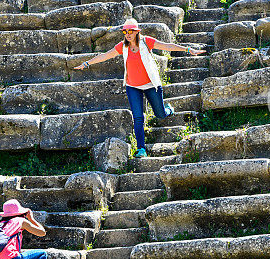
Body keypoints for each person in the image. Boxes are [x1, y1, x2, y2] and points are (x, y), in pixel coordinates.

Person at [73, 18, 205, 158]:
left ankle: (168, 110)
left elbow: (167, 46)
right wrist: (86, 63)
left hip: (151, 85)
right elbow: (105, 56)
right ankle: (141, 149)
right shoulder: (122, 47)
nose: (127, 34)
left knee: (160, 114)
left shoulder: (146, 42)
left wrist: (188, 49)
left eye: (130, 31)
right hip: (132, 86)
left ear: (136, 32)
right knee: (138, 117)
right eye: (125, 31)